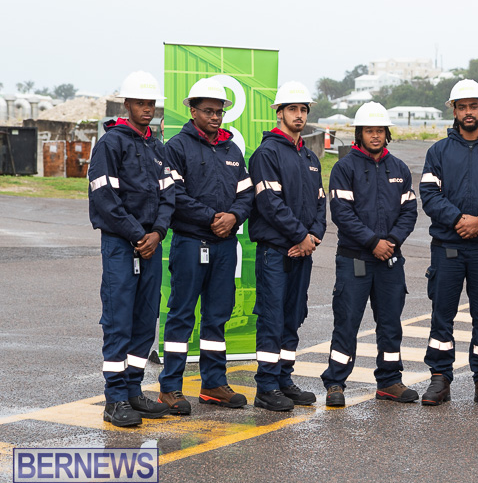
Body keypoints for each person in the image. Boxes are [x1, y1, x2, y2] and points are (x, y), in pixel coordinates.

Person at [418, 79, 478, 407]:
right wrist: (458, 220)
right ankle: (439, 378)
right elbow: (429, 195)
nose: (468, 112)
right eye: (462, 107)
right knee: (442, 313)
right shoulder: (438, 151)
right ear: (455, 111)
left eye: (473, 106)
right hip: (448, 245)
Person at [157, 78, 254, 414]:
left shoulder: (232, 150)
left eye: (219, 111)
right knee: (182, 315)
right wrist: (214, 216)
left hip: (225, 246)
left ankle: (213, 384)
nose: (215, 117)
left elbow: (247, 194)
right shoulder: (177, 147)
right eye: (208, 111)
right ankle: (170, 388)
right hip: (189, 243)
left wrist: (234, 217)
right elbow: (175, 196)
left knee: (216, 317)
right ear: (192, 110)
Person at [88, 71, 174, 427]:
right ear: (126, 105)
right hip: (122, 246)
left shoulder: (158, 147)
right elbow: (104, 198)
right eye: (140, 102)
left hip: (150, 245)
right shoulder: (111, 144)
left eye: (151, 103)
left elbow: (169, 195)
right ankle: (115, 398)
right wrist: (139, 235)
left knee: (144, 320)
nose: (146, 109)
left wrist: (158, 233)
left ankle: (135, 390)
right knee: (119, 320)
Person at [321, 102, 418, 407]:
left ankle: (389, 380)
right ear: (359, 134)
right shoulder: (344, 168)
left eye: (379, 130)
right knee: (347, 321)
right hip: (355, 259)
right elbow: (342, 214)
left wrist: (391, 241)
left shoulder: (399, 169)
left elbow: (409, 212)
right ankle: (336, 382)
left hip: (389, 259)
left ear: (386, 134)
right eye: (369, 131)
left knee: (390, 322)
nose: (375, 136)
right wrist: (372, 242)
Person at [248, 81, 326, 412]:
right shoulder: (266, 154)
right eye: (292, 109)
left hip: (302, 251)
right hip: (275, 252)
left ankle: (284, 378)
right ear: (278, 113)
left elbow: (320, 204)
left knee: (293, 315)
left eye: (303, 109)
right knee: (272, 316)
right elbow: (269, 202)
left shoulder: (310, 156)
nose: (299, 115)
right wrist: (299, 237)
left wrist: (313, 238)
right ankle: (266, 386)